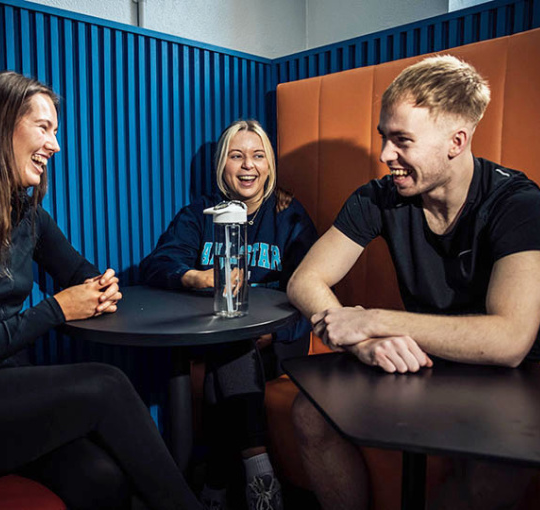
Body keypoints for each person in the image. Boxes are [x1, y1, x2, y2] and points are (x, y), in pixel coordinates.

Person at [0, 70, 201, 510]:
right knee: (106, 384)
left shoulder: (27, 216)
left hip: (0, 397)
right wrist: (57, 310)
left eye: (56, 132)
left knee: (102, 479)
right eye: (43, 128)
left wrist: (102, 287)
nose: (55, 146)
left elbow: (81, 274)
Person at [287, 55, 540, 510]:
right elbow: (306, 280)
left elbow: (511, 339)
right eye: (385, 137)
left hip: (515, 380)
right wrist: (360, 344)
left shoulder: (518, 203)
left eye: (402, 140)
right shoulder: (380, 197)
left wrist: (373, 322)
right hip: (425, 366)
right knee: (309, 414)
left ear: (456, 141)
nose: (385, 155)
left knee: (491, 471)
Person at [140, 119, 319, 510]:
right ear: (222, 166)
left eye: (257, 156)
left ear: (270, 166)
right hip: (218, 338)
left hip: (278, 346)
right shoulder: (200, 215)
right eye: (236, 156)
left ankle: (216, 482)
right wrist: (194, 278)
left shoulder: (288, 215)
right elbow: (158, 263)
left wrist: (275, 331)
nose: (247, 166)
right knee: (228, 337)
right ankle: (260, 476)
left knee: (228, 347)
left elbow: (314, 283)